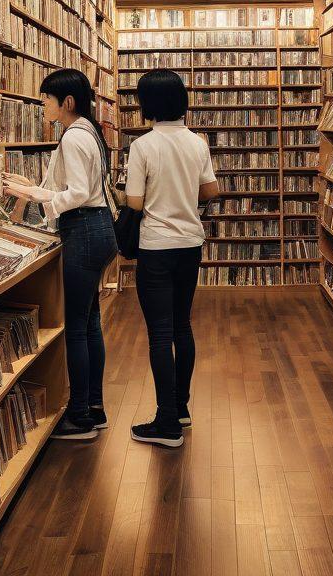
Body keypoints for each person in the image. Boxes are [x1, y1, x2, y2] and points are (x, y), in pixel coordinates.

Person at [4, 68, 116, 442]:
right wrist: (35, 187)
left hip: (84, 230)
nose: (42, 106)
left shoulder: (73, 136)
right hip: (99, 229)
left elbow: (79, 192)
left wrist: (38, 196)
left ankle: (80, 415)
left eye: (46, 99)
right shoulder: (89, 132)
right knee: (90, 323)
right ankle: (94, 407)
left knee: (78, 329)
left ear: (66, 102)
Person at [126, 69, 218, 448]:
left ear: (148, 104)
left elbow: (135, 202)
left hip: (156, 246)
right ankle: (180, 408)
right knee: (182, 326)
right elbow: (211, 191)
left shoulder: (143, 146)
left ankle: (166, 424)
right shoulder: (198, 142)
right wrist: (183, 197)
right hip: (189, 244)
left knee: (160, 334)